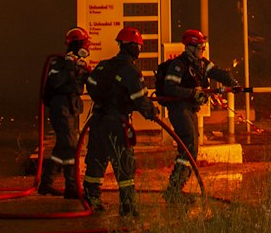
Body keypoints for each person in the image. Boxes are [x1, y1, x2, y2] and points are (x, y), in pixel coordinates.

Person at [81, 26, 159, 218]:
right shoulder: (132, 72)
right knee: (124, 164)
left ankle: (91, 200)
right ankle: (127, 207)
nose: (139, 50)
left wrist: (104, 99)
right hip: (117, 123)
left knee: (96, 160)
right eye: (139, 46)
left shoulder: (103, 65)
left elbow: (90, 84)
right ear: (134, 47)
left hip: (98, 121)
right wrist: (152, 112)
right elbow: (140, 100)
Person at [154, 28, 238, 200]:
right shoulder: (178, 65)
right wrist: (192, 93)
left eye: (203, 47)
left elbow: (218, 73)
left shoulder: (202, 64)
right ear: (190, 48)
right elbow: (170, 88)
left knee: (192, 148)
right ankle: (174, 190)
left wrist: (233, 83)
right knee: (188, 145)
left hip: (190, 109)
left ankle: (175, 189)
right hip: (179, 108)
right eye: (200, 47)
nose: (202, 50)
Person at [37, 26, 92, 198]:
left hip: (71, 108)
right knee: (70, 147)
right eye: (85, 43)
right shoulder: (58, 63)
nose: (87, 47)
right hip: (60, 107)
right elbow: (55, 82)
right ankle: (72, 187)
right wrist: (69, 66)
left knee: (62, 147)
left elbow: (88, 84)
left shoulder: (79, 65)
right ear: (76, 45)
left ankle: (46, 184)